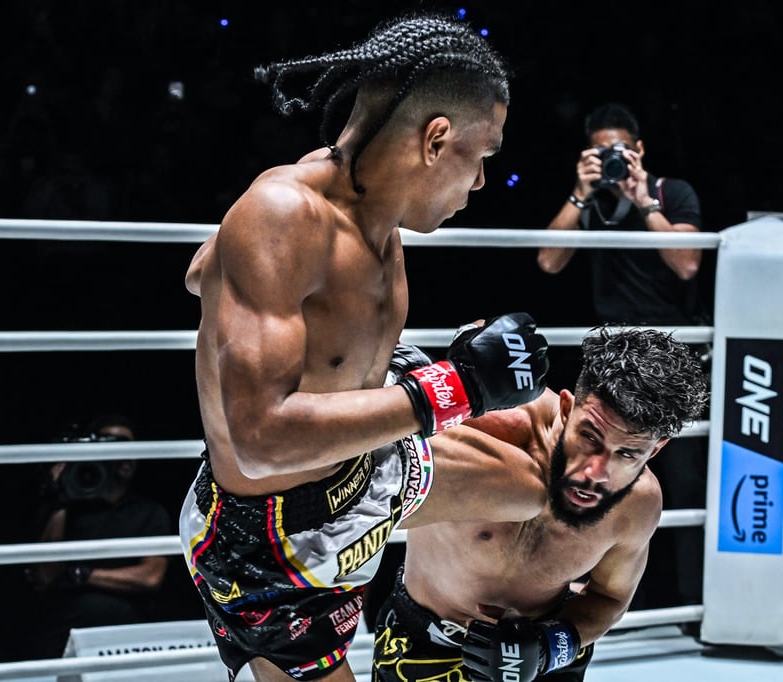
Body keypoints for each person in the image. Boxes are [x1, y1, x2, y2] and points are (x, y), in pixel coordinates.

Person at [177, 12, 550, 682]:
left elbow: (201, 271)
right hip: (275, 542)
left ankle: (444, 630)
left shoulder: (373, 214)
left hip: (362, 472)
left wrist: (390, 364)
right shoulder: (287, 213)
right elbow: (259, 441)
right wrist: (453, 386)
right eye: (483, 157)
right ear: (436, 140)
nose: (482, 184)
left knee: (529, 484)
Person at [372, 326, 709, 681]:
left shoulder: (637, 503)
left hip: (541, 651)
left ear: (655, 450)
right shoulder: (488, 425)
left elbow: (610, 597)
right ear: (566, 407)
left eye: (627, 454)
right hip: (425, 642)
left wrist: (552, 646)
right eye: (590, 437)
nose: (596, 471)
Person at [537, 101, 709, 616]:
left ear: (638, 151)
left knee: (683, 481)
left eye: (620, 152)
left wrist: (642, 201)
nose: (613, 160)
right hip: (613, 360)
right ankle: (600, 598)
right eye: (601, 152)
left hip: (675, 358)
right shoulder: (589, 200)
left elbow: (687, 263)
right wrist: (579, 192)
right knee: (596, 476)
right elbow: (548, 260)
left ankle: (689, 602)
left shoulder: (671, 193)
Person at [26, 414, 172, 658]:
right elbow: (45, 575)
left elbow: (150, 577)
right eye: (114, 444)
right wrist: (61, 495)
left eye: (130, 446)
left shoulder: (149, 511)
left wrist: (83, 574)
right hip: (63, 633)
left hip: (126, 636)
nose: (125, 454)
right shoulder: (64, 510)